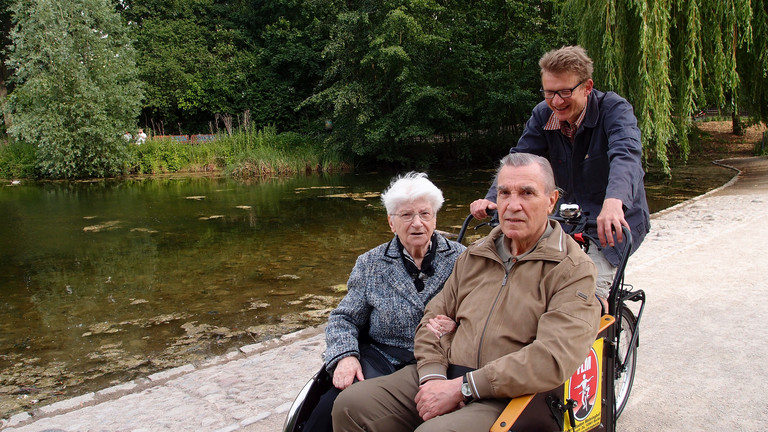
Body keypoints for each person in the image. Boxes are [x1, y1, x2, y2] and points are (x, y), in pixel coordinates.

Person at [332, 153, 601, 432]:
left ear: (551, 201)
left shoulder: (572, 269)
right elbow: (431, 320)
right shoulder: (476, 255)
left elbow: (551, 357)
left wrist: (464, 388)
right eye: (504, 193)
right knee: (352, 405)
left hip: (510, 395)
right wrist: (433, 378)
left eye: (527, 193)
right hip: (447, 371)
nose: (512, 205)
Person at [470, 45, 650, 302]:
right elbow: (519, 159)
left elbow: (626, 156)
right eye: (549, 92)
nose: (556, 101)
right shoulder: (543, 115)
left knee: (586, 296)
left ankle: (593, 333)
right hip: (568, 218)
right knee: (533, 287)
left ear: (587, 87)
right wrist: (492, 198)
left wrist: (614, 201)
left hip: (613, 221)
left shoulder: (614, 110)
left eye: (565, 92)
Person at [302, 172, 467, 431]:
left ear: (435, 218)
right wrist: (345, 356)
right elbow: (343, 318)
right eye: (406, 215)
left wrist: (457, 326)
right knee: (324, 413)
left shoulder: (463, 259)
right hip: (381, 360)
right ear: (391, 222)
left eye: (425, 214)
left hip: (442, 364)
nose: (417, 223)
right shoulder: (370, 263)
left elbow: (481, 313)